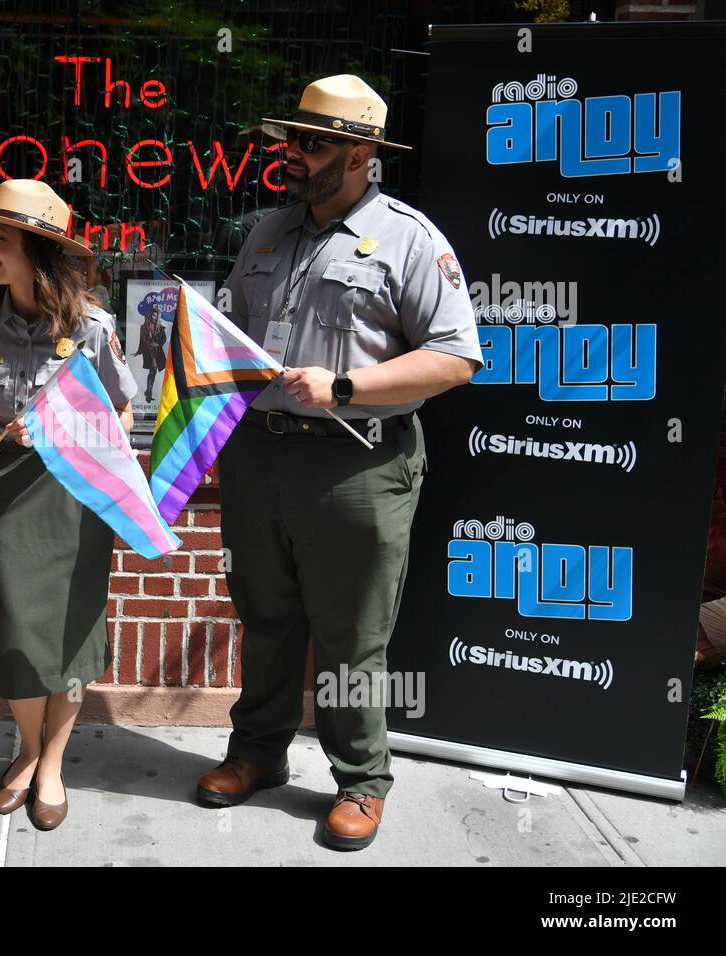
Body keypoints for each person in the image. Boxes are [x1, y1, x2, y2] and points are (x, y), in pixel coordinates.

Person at [195, 76, 485, 849]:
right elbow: (230, 340)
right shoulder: (264, 232)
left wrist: (347, 386)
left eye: (313, 143)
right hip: (261, 460)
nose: (293, 154)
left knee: (352, 636)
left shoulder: (411, 239)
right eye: (291, 139)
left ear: (361, 154)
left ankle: (360, 779)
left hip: (359, 468)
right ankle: (256, 754)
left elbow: (457, 358)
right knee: (265, 619)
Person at [0, 179, 137, 830]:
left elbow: (122, 416)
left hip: (74, 496)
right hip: (3, 493)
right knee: (11, 631)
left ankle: (51, 762)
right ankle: (27, 749)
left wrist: (64, 429)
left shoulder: (92, 327)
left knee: (69, 634)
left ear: (36, 248)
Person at [134, 306, 168, 401]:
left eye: (156, 316)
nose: (155, 318)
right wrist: (139, 351)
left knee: (153, 371)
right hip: (148, 352)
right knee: (153, 370)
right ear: (150, 316)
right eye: (153, 315)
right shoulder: (144, 327)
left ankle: (149, 391)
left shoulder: (160, 327)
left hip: (157, 352)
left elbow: (164, 339)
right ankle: (148, 392)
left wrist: (157, 344)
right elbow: (141, 340)